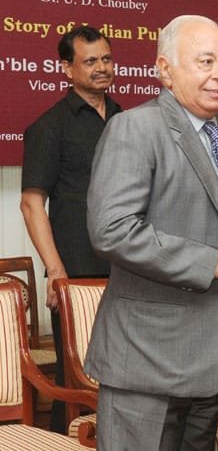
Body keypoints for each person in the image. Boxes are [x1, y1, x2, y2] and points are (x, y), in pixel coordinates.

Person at [84, 15, 218, 449]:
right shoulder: (135, 128)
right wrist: (211, 261)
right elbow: (112, 230)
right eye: (205, 62)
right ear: (165, 69)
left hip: (211, 361)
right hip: (149, 361)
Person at [20, 25, 121, 433]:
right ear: (66, 68)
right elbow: (31, 204)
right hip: (76, 271)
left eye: (107, 59)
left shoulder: (124, 118)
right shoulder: (50, 127)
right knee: (75, 376)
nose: (102, 68)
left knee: (122, 372)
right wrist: (55, 270)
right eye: (90, 61)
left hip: (130, 267)